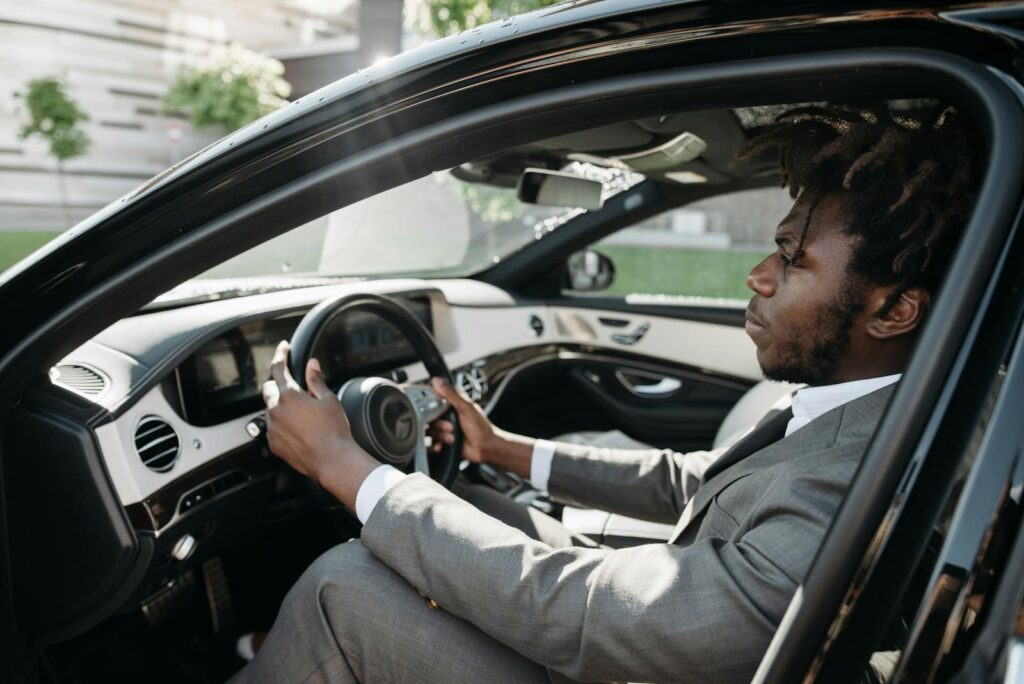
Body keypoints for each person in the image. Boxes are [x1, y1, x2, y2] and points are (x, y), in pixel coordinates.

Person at [234, 103, 979, 683]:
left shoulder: (850, 473)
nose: (758, 275)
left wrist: (342, 464)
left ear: (895, 309)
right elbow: (695, 481)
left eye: (791, 258)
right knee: (477, 502)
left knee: (342, 588)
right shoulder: (872, 404)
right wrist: (502, 449)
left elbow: (591, 613)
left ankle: (295, 649)